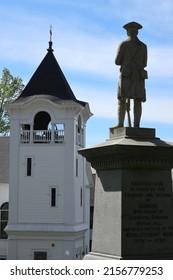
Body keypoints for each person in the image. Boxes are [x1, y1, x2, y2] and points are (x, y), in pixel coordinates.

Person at [115, 21, 148, 128]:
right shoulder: (143, 46)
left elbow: (117, 61)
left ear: (128, 32)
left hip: (127, 76)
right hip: (139, 76)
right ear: (137, 32)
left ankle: (120, 124)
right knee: (138, 101)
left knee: (122, 101)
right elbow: (144, 63)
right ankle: (136, 125)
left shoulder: (124, 45)